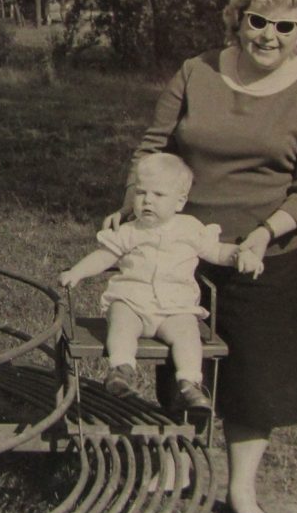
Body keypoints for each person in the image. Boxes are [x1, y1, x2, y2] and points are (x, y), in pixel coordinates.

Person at [104, 0, 297, 513]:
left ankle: (240, 490)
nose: (270, 35)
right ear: (238, 20)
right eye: (258, 21)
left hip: (267, 252)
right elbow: (154, 147)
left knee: (255, 373)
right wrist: (131, 202)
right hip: (179, 245)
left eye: (286, 27)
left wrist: (264, 233)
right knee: (175, 357)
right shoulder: (196, 72)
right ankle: (174, 465)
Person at [59, 153, 264, 411]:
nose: (147, 201)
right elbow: (103, 256)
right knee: (121, 319)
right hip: (133, 302)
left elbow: (217, 251)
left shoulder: (191, 229)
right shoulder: (130, 231)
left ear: (180, 202)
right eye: (141, 193)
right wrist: (77, 272)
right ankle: (121, 369)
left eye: (158, 195)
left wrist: (239, 255)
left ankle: (189, 384)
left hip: (174, 309)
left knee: (188, 333)